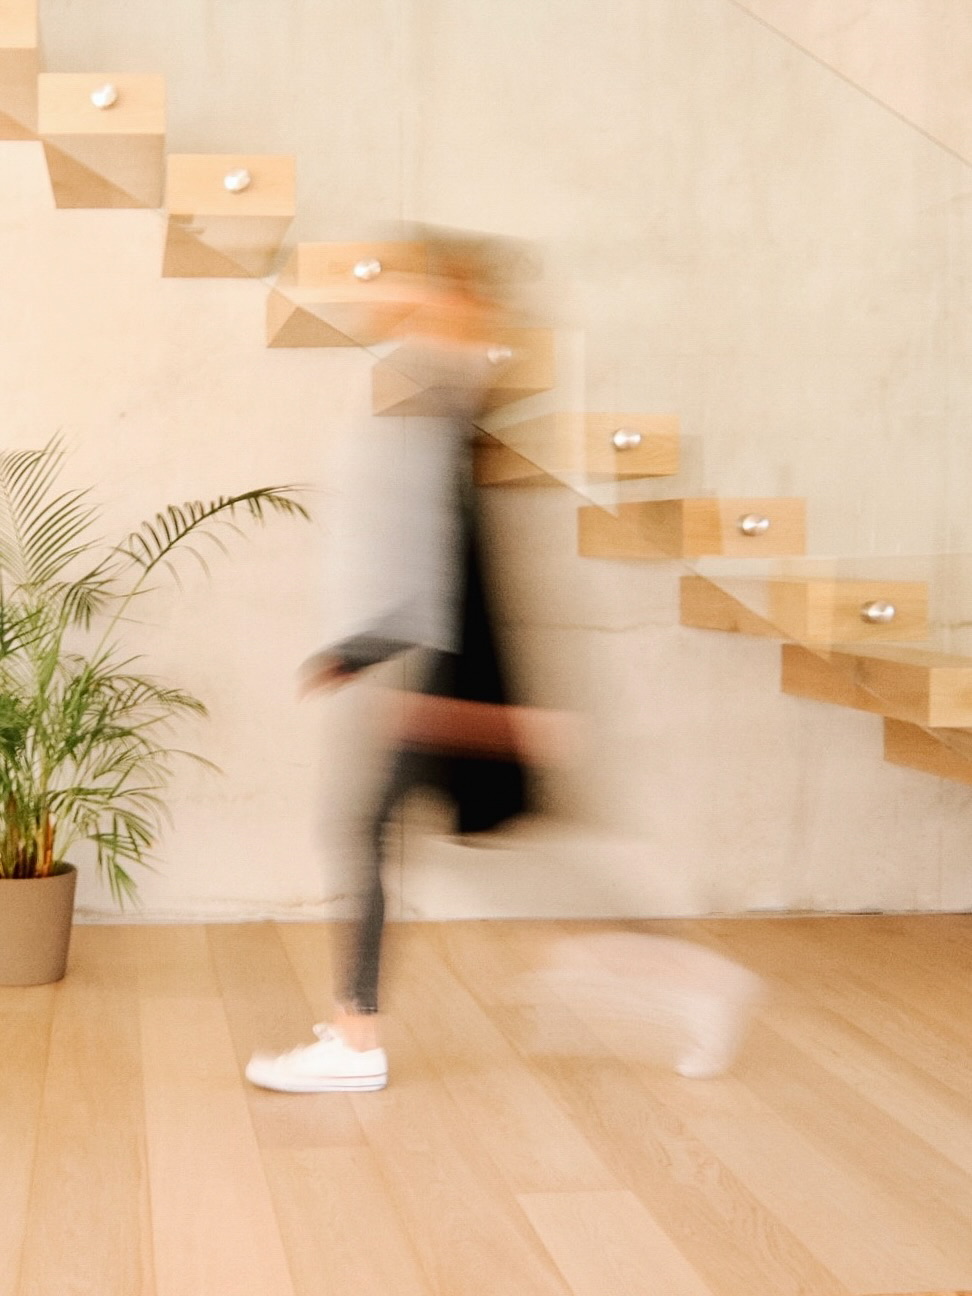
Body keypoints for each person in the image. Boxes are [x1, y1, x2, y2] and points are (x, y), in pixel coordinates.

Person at [246, 230, 563, 1093]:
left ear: (456, 297)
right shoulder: (447, 386)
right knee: (389, 832)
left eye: (415, 281)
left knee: (367, 830)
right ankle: (356, 1032)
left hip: (441, 670)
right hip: (437, 665)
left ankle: (357, 1042)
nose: (389, 290)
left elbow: (440, 552)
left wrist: (369, 649)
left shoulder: (442, 391)